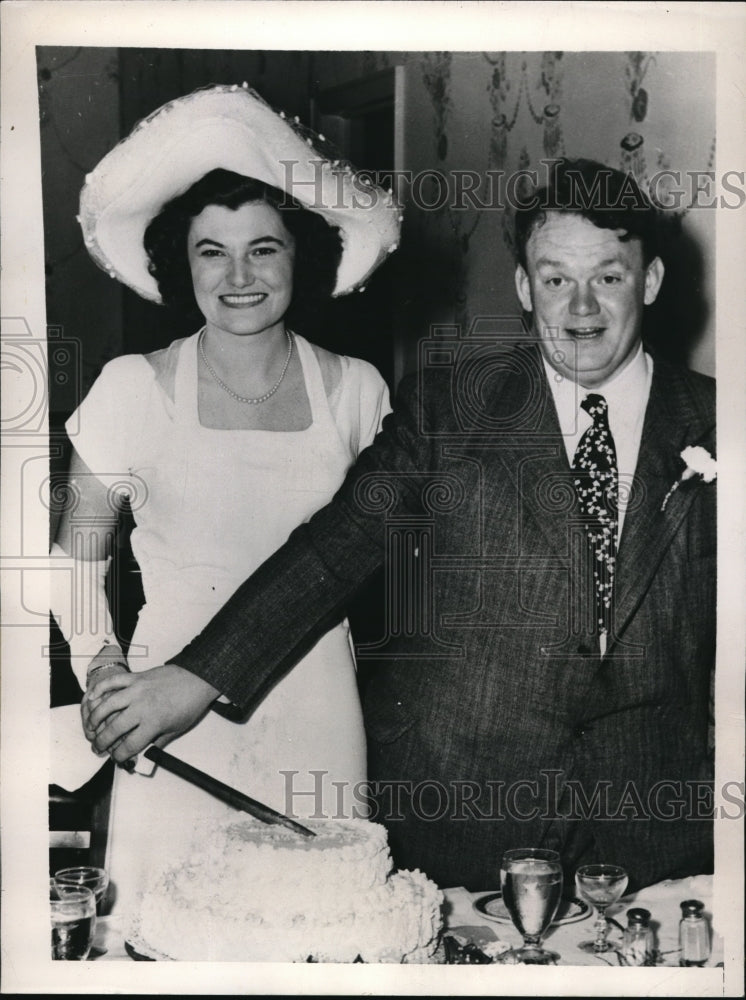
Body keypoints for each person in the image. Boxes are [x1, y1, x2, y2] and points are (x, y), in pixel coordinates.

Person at [85, 158, 716, 894]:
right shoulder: (448, 409)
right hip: (466, 813)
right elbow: (331, 554)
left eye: (607, 277)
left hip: (655, 826)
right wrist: (194, 679)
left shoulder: (720, 424)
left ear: (652, 282)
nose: (580, 307)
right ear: (523, 288)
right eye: (554, 279)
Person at [51, 84, 400, 920]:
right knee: (167, 931)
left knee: (317, 929)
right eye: (213, 252)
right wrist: (104, 673)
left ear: (301, 257)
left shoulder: (358, 390)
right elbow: (72, 564)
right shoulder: (131, 387)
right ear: (182, 263)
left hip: (316, 706)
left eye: (264, 250)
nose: (238, 277)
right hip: (168, 712)